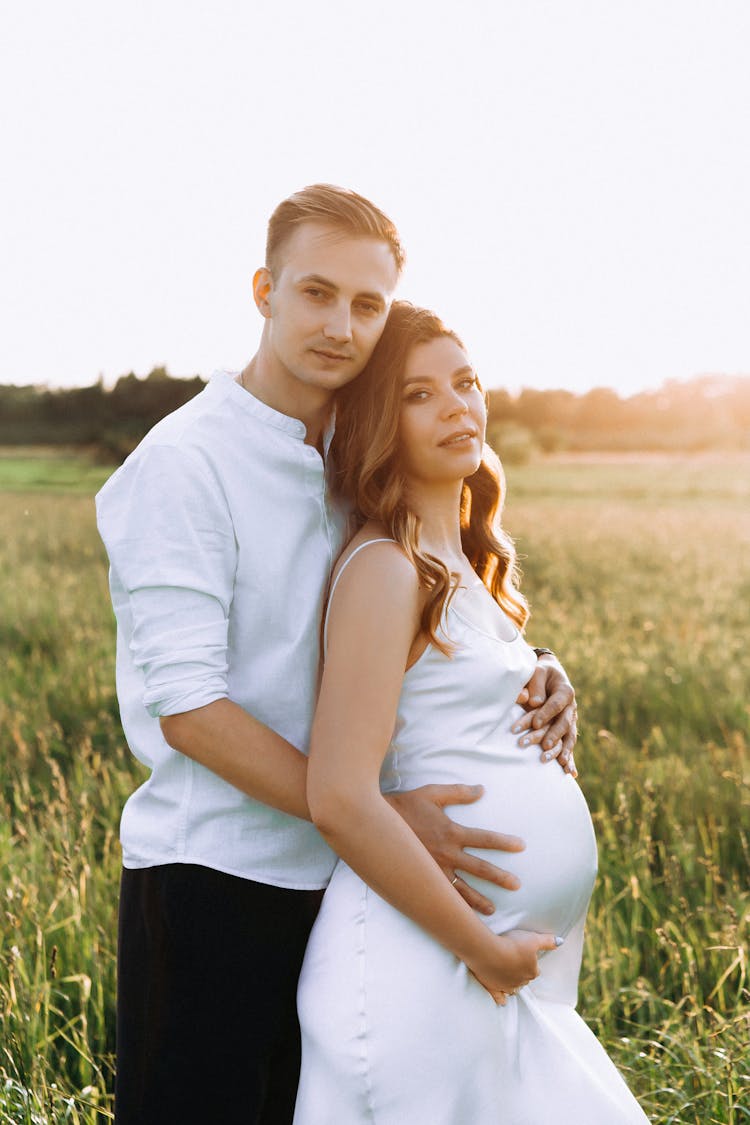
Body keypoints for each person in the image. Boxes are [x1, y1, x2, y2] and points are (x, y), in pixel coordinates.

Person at [95, 186, 578, 1125]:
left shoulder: (348, 461)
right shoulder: (185, 462)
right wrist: (370, 808)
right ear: (263, 289)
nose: (341, 326)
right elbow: (189, 710)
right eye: (316, 294)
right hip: (215, 887)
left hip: (345, 891)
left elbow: (411, 606)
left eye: (368, 305)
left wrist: (527, 667)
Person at [294, 301, 648, 1124]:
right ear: (383, 419)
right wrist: (484, 947)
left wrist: (545, 665)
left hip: (486, 977)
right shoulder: (385, 566)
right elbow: (339, 795)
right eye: (421, 394)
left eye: (466, 382)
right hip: (419, 970)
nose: (458, 405)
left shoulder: (460, 562)